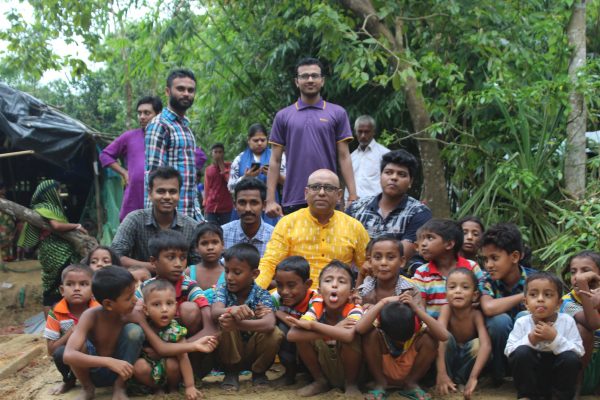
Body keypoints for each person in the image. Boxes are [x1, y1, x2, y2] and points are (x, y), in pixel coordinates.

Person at [265, 57, 358, 216]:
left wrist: (353, 195)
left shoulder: (337, 113)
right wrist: (270, 200)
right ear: (296, 81)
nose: (310, 80)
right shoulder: (283, 116)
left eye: (314, 76)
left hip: (328, 195)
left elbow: (344, 156)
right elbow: (275, 160)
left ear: (322, 81)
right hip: (294, 197)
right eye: (304, 76)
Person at [256, 169, 370, 290]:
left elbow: (368, 267)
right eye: (315, 187)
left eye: (329, 188)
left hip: (337, 296)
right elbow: (270, 263)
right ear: (306, 193)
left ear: (339, 195)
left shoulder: (354, 227)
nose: (321, 193)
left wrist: (359, 294)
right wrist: (253, 294)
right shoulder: (287, 223)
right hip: (294, 296)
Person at [63, 266, 145, 400]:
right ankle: (87, 388)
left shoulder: (132, 314)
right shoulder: (90, 316)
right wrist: (108, 361)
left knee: (134, 331)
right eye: (129, 297)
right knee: (79, 345)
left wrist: (143, 319)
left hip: (123, 370)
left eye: (134, 293)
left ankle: (120, 387)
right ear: (108, 304)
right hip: (93, 371)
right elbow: (68, 355)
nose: (135, 300)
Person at [212, 244, 283, 391]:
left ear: (254, 274)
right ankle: (231, 372)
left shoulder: (261, 294)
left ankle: (259, 372)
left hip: (254, 350)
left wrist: (238, 324)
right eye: (227, 271)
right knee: (225, 320)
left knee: (275, 333)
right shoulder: (223, 289)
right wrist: (232, 310)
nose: (229, 277)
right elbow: (215, 312)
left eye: (237, 272)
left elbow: (269, 324)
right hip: (230, 351)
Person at [287, 261, 363, 397]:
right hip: (326, 365)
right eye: (328, 280)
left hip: (353, 371)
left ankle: (351, 384)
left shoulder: (354, 309)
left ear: (351, 293)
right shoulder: (317, 307)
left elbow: (348, 336)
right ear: (320, 291)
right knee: (302, 336)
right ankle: (320, 381)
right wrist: (334, 329)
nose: (334, 285)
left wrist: (313, 326)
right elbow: (292, 335)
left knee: (352, 338)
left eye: (341, 281)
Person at [505, 272, 583, 400]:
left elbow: (579, 351)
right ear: (526, 302)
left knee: (570, 358)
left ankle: (560, 397)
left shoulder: (567, 321)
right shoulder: (522, 322)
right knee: (521, 352)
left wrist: (555, 338)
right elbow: (509, 350)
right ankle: (526, 396)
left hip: (556, 378)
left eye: (548, 295)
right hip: (533, 378)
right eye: (533, 295)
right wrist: (531, 339)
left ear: (559, 303)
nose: (540, 299)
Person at [357, 291, 448, 400]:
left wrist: (417, 309)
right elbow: (360, 329)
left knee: (430, 340)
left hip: (410, 371)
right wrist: (383, 302)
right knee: (370, 334)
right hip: (384, 368)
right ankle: (380, 383)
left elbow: (444, 336)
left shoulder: (417, 322)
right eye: (397, 341)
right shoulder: (381, 320)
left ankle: (411, 383)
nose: (401, 343)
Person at [346, 150, 432, 259]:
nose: (394, 178)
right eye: (388, 172)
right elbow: (344, 245)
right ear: (380, 176)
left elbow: (402, 254)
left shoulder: (419, 213)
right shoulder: (356, 208)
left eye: (401, 174)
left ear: (410, 182)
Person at [111, 166, 199, 272]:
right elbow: (115, 256)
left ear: (179, 194)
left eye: (172, 192)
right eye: (161, 191)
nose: (167, 197)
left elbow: (200, 265)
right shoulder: (134, 220)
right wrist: (159, 267)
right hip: (140, 281)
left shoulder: (192, 227)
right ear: (150, 194)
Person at [478, 223, 535, 384]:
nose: (488, 265)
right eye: (485, 259)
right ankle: (498, 374)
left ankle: (525, 374)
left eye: (494, 258)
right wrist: (524, 295)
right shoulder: (486, 281)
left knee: (524, 316)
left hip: (529, 350)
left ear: (515, 257)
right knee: (499, 321)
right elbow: (489, 308)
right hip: (498, 348)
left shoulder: (535, 280)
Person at [19, 180, 86, 310]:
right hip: (55, 251)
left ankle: (57, 317)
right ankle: (55, 318)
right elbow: (56, 226)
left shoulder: (50, 208)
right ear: (50, 192)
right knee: (58, 282)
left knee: (54, 284)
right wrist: (77, 226)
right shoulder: (45, 207)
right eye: (58, 190)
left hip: (52, 250)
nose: (59, 194)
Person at [136, 230, 214, 339]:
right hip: (154, 340)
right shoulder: (145, 288)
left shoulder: (189, 286)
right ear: (153, 261)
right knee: (138, 308)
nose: (178, 264)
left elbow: (210, 328)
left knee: (189, 309)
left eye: (182, 258)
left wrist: (184, 347)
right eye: (171, 257)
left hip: (188, 342)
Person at [145, 69, 199, 219]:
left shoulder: (185, 127)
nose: (186, 94)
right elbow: (153, 176)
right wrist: (152, 223)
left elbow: (189, 180)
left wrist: (197, 215)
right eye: (180, 89)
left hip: (188, 215)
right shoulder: (160, 125)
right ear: (168, 91)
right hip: (168, 218)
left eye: (190, 90)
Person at [131, 280, 199, 398]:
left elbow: (184, 358)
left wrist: (190, 386)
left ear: (176, 306)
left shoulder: (175, 330)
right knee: (139, 366)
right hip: (150, 370)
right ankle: (157, 388)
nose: (164, 309)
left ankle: (173, 388)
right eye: (156, 304)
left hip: (170, 371)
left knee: (172, 364)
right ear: (145, 310)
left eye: (169, 303)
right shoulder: (142, 327)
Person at [100, 96, 163, 221]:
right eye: (139, 113)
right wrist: (124, 172)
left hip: (160, 198)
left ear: (158, 115)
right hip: (134, 198)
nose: (142, 117)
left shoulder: (166, 136)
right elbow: (105, 155)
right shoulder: (129, 137)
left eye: (147, 113)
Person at [435, 268, 491, 400]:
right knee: (444, 336)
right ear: (446, 293)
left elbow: (486, 345)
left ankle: (462, 380)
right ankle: (446, 378)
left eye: (465, 287)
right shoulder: (446, 309)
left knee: (478, 344)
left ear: (475, 295)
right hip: (449, 358)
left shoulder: (476, 314)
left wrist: (473, 377)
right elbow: (439, 338)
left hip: (466, 359)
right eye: (452, 287)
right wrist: (441, 373)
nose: (458, 291)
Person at [44, 264, 100, 395]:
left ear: (93, 290)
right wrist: (71, 332)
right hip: (72, 359)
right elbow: (51, 350)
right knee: (60, 353)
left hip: (97, 356)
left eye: (83, 284)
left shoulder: (99, 309)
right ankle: (69, 381)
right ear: (62, 290)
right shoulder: (56, 313)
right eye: (70, 284)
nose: (77, 288)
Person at [412, 219, 484, 318]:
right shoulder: (421, 273)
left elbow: (482, 297)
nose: (423, 244)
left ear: (449, 244)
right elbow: (421, 310)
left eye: (430, 238)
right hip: (433, 325)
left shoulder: (471, 267)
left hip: (467, 323)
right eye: (422, 239)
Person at [227, 123, 286, 226]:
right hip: (246, 206)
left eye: (263, 140)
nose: (259, 143)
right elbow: (231, 188)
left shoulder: (277, 157)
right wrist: (246, 177)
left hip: (271, 205)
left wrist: (274, 175)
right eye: (255, 140)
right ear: (248, 140)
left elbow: (288, 183)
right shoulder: (239, 159)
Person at [272, 256, 317, 386]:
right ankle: (290, 373)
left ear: (307, 284)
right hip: (291, 346)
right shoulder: (275, 298)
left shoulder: (316, 299)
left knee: (294, 331)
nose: (284, 291)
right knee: (281, 330)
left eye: (291, 285)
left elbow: (305, 327)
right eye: (279, 285)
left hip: (313, 345)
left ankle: (312, 375)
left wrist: (277, 312)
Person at [560, 251, 600, 396]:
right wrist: (584, 286)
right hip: (577, 370)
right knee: (583, 330)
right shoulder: (567, 302)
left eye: (585, 271)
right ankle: (576, 387)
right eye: (573, 272)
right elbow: (593, 323)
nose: (578, 276)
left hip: (597, 369)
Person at [358, 234, 421, 306]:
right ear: (370, 262)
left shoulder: (411, 291)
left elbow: (420, 312)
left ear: (402, 261)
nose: (383, 263)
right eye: (377, 257)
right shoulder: (364, 291)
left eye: (390, 257)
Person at [221, 178, 274, 257]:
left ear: (264, 205)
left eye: (254, 203)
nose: (247, 209)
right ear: (235, 205)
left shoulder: (274, 237)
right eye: (242, 203)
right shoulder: (222, 234)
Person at [348, 115, 390, 200]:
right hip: (352, 204)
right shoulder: (351, 157)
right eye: (360, 132)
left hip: (375, 204)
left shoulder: (385, 154)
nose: (363, 135)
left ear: (373, 132)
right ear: (355, 132)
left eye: (367, 132)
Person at [185, 223, 225, 304]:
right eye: (204, 243)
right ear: (196, 248)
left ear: (222, 245)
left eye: (215, 242)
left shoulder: (227, 274)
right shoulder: (189, 272)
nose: (210, 247)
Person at [204, 143, 234, 225]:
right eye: (215, 152)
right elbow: (207, 187)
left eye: (220, 152)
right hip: (211, 207)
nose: (218, 154)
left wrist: (222, 166)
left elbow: (230, 182)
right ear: (212, 154)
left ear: (223, 154)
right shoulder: (208, 169)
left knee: (225, 229)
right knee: (211, 229)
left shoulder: (230, 166)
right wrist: (205, 203)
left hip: (226, 207)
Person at [0, 182, 16, 262]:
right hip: (4, 223)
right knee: (5, 239)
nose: (5, 190)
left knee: (6, 239)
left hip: (5, 223)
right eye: (3, 189)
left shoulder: (4, 199)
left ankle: (5, 257)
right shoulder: (3, 200)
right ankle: (5, 257)